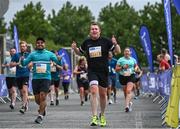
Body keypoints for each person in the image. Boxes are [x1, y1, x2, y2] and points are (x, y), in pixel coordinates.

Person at [71, 22, 121, 127]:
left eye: (96, 29)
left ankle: (102, 115)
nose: (94, 30)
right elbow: (80, 52)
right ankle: (94, 117)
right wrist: (75, 48)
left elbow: (118, 52)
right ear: (90, 31)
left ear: (99, 31)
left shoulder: (106, 41)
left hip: (103, 71)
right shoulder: (87, 42)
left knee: (103, 94)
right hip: (92, 71)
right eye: (92, 29)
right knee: (93, 91)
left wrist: (115, 44)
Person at [21, 37, 61, 124]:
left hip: (46, 78)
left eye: (41, 43)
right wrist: (22, 59)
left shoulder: (49, 54)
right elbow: (24, 63)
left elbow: (58, 63)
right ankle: (43, 108)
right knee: (37, 100)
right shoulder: (33, 54)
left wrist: (59, 59)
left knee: (43, 96)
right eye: (38, 43)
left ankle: (40, 115)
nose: (40, 44)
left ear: (44, 44)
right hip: (35, 79)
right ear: (36, 44)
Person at [115, 47, 138, 112]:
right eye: (125, 51)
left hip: (131, 76)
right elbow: (116, 69)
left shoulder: (133, 60)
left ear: (130, 53)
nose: (127, 52)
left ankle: (127, 106)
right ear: (124, 53)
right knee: (125, 91)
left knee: (128, 90)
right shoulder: (120, 60)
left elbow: (136, 66)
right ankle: (129, 103)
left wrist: (135, 69)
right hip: (123, 76)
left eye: (128, 51)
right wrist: (122, 67)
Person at [10, 41, 30, 114]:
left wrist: (29, 65)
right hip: (18, 76)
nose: (22, 47)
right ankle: (26, 103)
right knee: (22, 93)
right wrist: (17, 63)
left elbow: (31, 63)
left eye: (24, 46)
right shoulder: (16, 55)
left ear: (26, 47)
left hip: (26, 75)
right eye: (21, 46)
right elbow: (11, 64)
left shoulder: (29, 55)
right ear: (19, 47)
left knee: (25, 91)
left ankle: (23, 106)